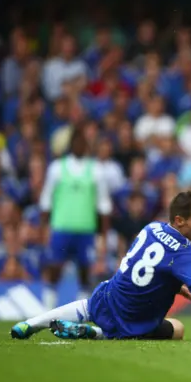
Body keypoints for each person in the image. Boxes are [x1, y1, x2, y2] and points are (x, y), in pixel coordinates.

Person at [11, 190, 191, 342]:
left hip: (108, 296)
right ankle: (96, 334)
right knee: (178, 329)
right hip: (134, 319)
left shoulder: (152, 227)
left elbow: (151, 272)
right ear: (180, 221)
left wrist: (182, 290)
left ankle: (30, 324)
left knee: (90, 303)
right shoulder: (185, 254)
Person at [39, 125, 112, 307]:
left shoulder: (96, 169)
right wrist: (44, 229)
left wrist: (102, 236)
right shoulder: (57, 168)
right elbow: (46, 201)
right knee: (55, 267)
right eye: (76, 142)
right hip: (61, 228)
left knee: (85, 271)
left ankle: (81, 309)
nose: (79, 145)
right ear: (70, 145)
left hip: (86, 230)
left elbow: (103, 205)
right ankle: (48, 305)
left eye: (82, 142)